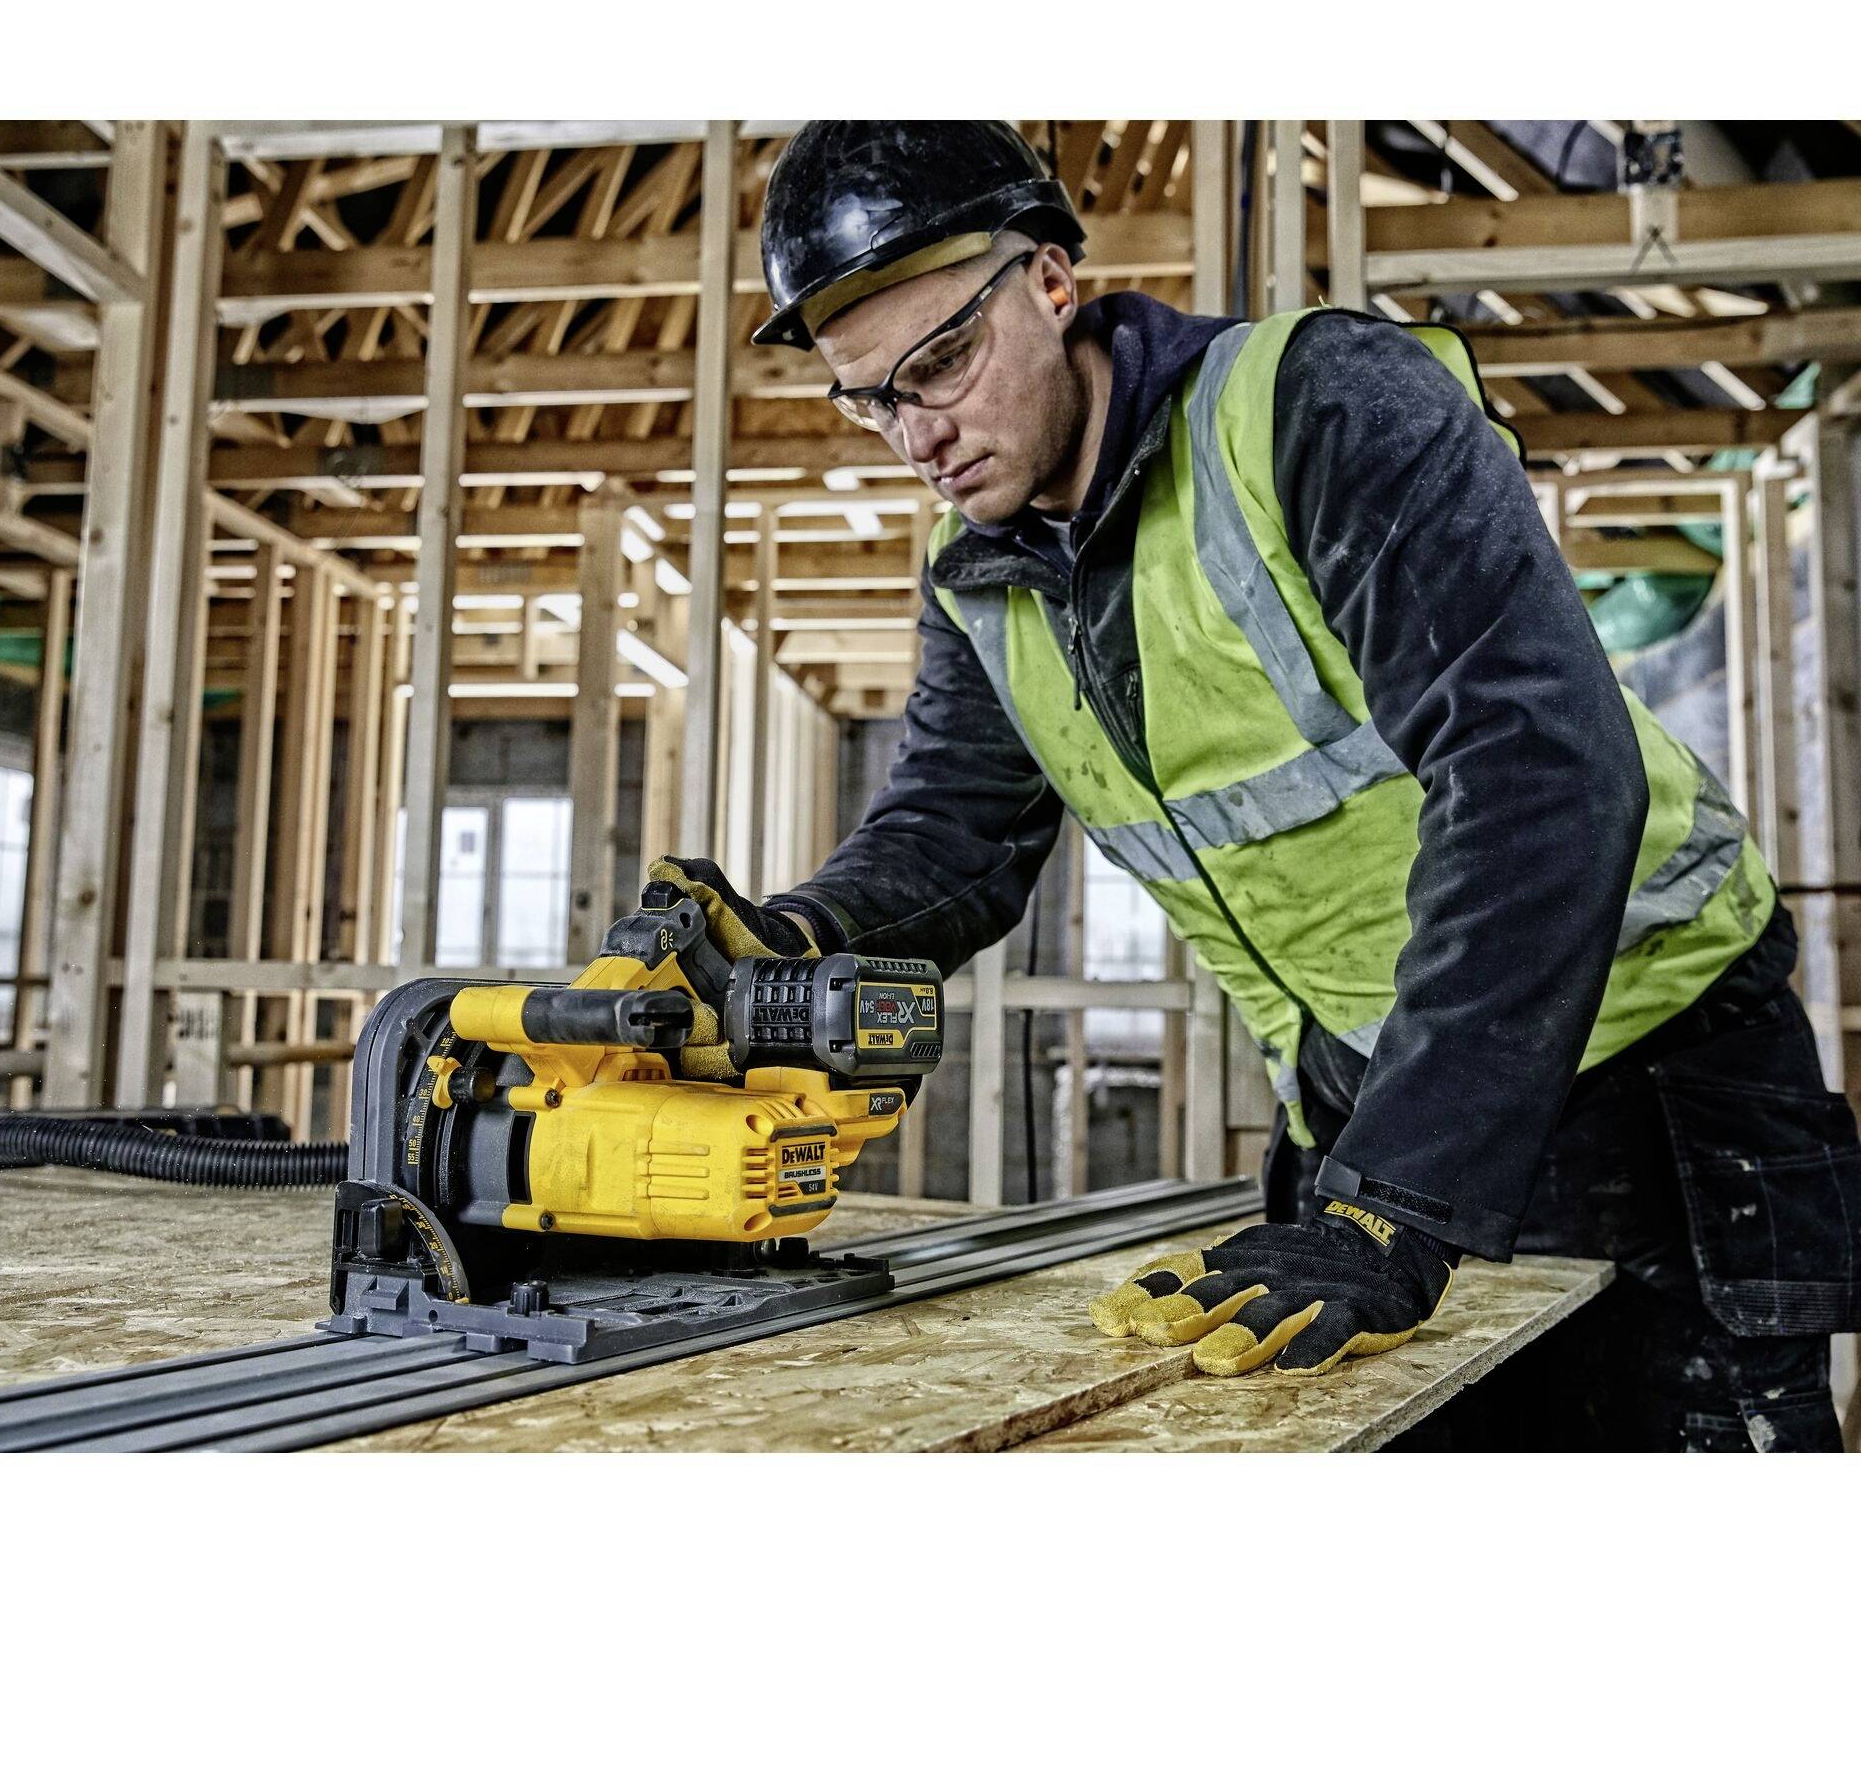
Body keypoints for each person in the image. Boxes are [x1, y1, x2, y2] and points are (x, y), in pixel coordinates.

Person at [638, 120, 1861, 1450]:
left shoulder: (1319, 409)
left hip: (1650, 1082)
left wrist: (1394, 1200)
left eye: (941, 361)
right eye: (872, 397)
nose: (917, 434)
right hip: (1373, 1117)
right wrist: (788, 940)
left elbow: (1541, 777)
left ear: (1052, 279)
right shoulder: (981, 569)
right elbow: (953, 834)